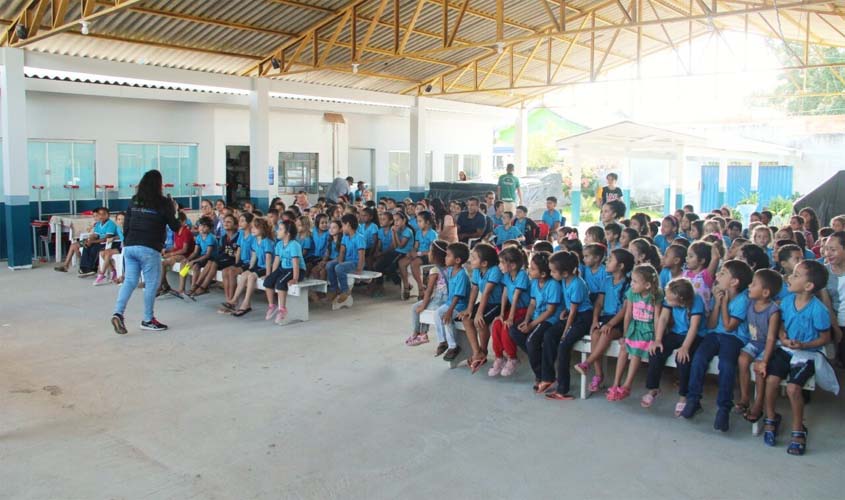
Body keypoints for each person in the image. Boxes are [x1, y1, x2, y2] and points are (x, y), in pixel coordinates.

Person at [763, 260, 833, 455]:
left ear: (809, 286)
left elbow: (825, 338)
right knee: (771, 380)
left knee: (794, 388)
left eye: (795, 275)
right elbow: (781, 325)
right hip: (786, 350)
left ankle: (798, 428)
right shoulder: (786, 302)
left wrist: (804, 345)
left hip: (808, 354)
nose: (789, 278)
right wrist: (783, 337)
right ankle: (770, 417)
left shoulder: (818, 309)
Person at [681, 260, 754, 432]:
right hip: (714, 334)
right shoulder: (718, 294)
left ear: (734, 282)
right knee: (698, 359)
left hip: (734, 338)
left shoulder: (743, 300)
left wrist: (723, 304)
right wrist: (717, 301)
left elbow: (729, 327)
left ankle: (723, 408)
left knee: (727, 365)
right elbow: (713, 324)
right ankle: (693, 400)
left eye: (723, 273)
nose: (717, 275)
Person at [111, 170, 181, 334]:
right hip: (149, 247)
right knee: (151, 284)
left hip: (129, 246)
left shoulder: (135, 200)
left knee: (129, 281)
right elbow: (175, 226)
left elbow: (126, 224)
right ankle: (148, 319)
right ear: (159, 184)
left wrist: (128, 241)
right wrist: (174, 210)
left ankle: (118, 313)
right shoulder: (163, 202)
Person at [574, 248, 633, 395]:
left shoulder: (628, 284)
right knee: (595, 334)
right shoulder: (606, 280)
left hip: (619, 320)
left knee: (605, 334)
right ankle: (598, 375)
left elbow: (625, 310)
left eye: (611, 259)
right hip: (605, 317)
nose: (607, 261)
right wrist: (595, 320)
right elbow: (599, 303)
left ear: (621, 266)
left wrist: (611, 324)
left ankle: (587, 363)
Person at [607, 264, 662, 402]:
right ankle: (616, 383)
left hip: (647, 330)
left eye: (635, 282)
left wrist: (656, 338)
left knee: (636, 351)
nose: (632, 284)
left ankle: (627, 385)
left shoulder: (656, 295)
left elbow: (657, 318)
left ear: (648, 285)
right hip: (634, 327)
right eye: (631, 280)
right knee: (624, 348)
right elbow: (628, 315)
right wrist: (625, 335)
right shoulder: (632, 293)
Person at [545, 251, 593, 401]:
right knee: (549, 335)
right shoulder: (565, 281)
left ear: (565, 272)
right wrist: (565, 311)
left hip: (583, 318)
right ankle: (549, 377)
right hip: (573, 315)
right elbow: (570, 308)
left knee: (563, 346)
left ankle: (562, 389)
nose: (551, 274)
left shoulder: (577, 284)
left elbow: (574, 312)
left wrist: (565, 331)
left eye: (553, 271)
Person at [736, 269, 782, 423]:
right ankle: (744, 397)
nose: (749, 286)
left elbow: (770, 339)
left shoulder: (773, 311)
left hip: (768, 346)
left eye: (754, 284)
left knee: (759, 369)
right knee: (742, 360)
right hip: (754, 343)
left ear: (765, 292)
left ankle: (758, 404)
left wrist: (765, 361)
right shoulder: (750, 302)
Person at [512, 252, 562, 393]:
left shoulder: (553, 285)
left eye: (533, 268)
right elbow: (532, 303)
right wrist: (527, 320)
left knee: (531, 341)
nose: (529, 270)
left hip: (549, 319)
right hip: (536, 316)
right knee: (514, 330)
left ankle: (543, 376)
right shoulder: (535, 282)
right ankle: (540, 364)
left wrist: (531, 325)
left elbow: (550, 311)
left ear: (544, 274)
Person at [459, 243, 502, 372]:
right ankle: (477, 352)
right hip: (486, 302)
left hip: (497, 304)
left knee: (480, 321)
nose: (470, 260)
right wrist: (469, 309)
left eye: (474, 258)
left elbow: (487, 293)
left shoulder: (495, 270)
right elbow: (475, 289)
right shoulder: (477, 271)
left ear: (484, 263)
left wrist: (479, 313)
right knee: (466, 319)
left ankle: (483, 350)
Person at [406, 240, 449, 347]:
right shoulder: (450, 268)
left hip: (441, 300)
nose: (428, 253)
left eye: (430, 251)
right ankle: (416, 333)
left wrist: (424, 305)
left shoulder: (435, 270)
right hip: (442, 298)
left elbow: (429, 291)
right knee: (415, 307)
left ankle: (423, 334)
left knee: (420, 308)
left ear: (436, 255)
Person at [229, 218, 274, 317]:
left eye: (255, 228)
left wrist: (268, 274)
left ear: (262, 229)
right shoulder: (255, 240)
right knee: (245, 274)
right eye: (252, 227)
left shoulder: (267, 242)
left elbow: (268, 259)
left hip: (267, 267)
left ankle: (246, 302)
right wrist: (249, 268)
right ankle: (234, 299)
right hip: (259, 266)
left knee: (251, 277)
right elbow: (254, 257)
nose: (252, 229)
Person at [263, 219, 304, 324]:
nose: (277, 231)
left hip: (296, 270)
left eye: (280, 229)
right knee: (268, 281)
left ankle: (282, 309)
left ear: (288, 233)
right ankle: (272, 305)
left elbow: (295, 263)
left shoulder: (294, 245)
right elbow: (276, 260)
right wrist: (272, 274)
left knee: (281, 283)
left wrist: (295, 278)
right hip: (284, 268)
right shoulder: (279, 244)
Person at [54, 207, 117, 276]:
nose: (101, 216)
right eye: (99, 215)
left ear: (108, 215)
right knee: (76, 245)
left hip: (104, 243)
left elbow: (106, 238)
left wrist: (92, 242)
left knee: (90, 247)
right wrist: (90, 239)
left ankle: (88, 267)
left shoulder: (110, 224)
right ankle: (73, 266)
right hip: (96, 241)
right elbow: (96, 235)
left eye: (104, 214)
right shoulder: (98, 224)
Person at [435, 243, 471, 361]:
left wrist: (449, 311)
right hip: (450, 303)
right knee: (437, 313)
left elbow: (458, 295)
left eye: (448, 256)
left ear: (457, 260)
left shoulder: (462, 274)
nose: (445, 258)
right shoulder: (450, 270)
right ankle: (443, 341)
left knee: (446, 318)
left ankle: (453, 346)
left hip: (459, 306)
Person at [326, 214, 366, 310]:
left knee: (339, 268)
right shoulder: (345, 237)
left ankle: (345, 290)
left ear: (348, 225)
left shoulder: (359, 237)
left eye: (343, 225)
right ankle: (334, 288)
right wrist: (340, 261)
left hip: (355, 262)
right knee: (329, 265)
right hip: (346, 262)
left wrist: (359, 268)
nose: (342, 228)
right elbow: (342, 251)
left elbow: (361, 255)